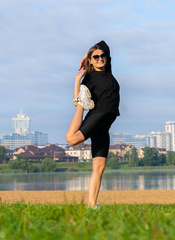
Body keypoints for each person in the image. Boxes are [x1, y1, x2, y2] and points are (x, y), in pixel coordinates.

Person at [66, 40, 120, 208]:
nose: (100, 58)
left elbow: (104, 44)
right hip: (98, 115)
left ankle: (92, 205)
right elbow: (75, 101)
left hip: (104, 125)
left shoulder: (108, 70)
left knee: (99, 166)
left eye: (102, 56)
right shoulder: (89, 77)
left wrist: (86, 56)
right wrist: (78, 79)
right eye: (95, 57)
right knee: (71, 139)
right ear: (91, 60)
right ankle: (85, 104)